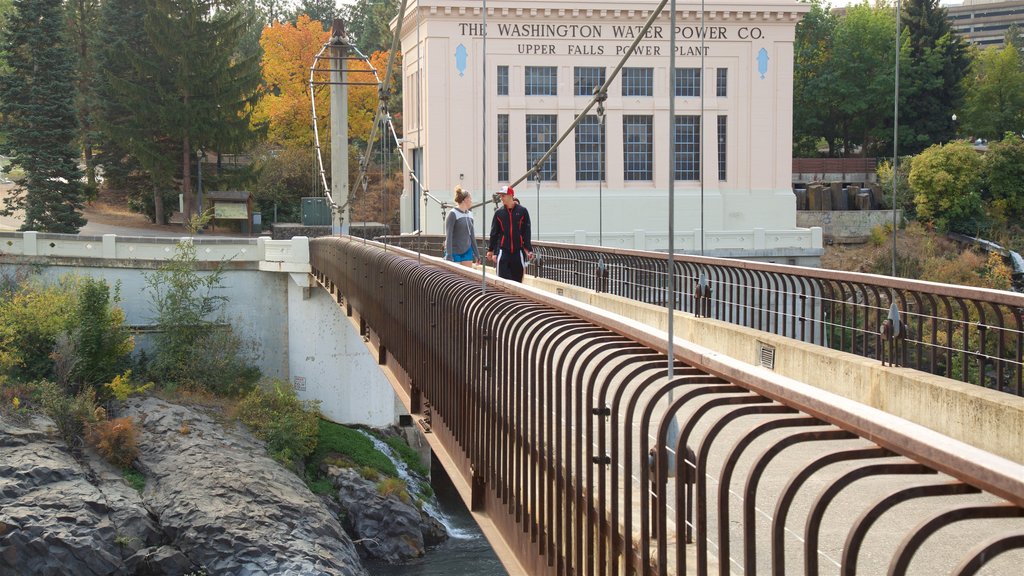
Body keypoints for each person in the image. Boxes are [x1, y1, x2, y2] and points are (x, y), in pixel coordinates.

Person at [486, 185, 533, 282]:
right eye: (501, 196)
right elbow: (494, 233)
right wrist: (491, 250)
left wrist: (528, 249)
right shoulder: (499, 213)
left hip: (518, 253)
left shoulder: (523, 211)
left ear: (510, 195)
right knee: (501, 282)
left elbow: (526, 232)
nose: (501, 198)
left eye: (503, 195)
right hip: (504, 252)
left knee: (517, 283)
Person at [445, 185, 479, 267]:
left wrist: (477, 254)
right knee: (456, 279)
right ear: (465, 200)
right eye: (470, 198)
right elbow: (448, 236)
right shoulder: (453, 214)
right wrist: (449, 255)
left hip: (467, 251)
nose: (471, 200)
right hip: (454, 252)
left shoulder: (470, 214)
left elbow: (472, 236)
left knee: (467, 277)